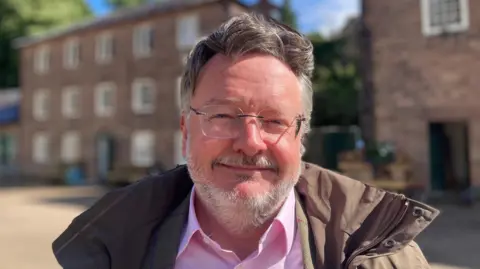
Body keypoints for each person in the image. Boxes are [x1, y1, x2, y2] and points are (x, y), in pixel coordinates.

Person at [52, 13, 439, 269]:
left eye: (274, 121)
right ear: (186, 130)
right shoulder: (111, 248)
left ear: (301, 136)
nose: (250, 142)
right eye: (222, 116)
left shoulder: (384, 254)